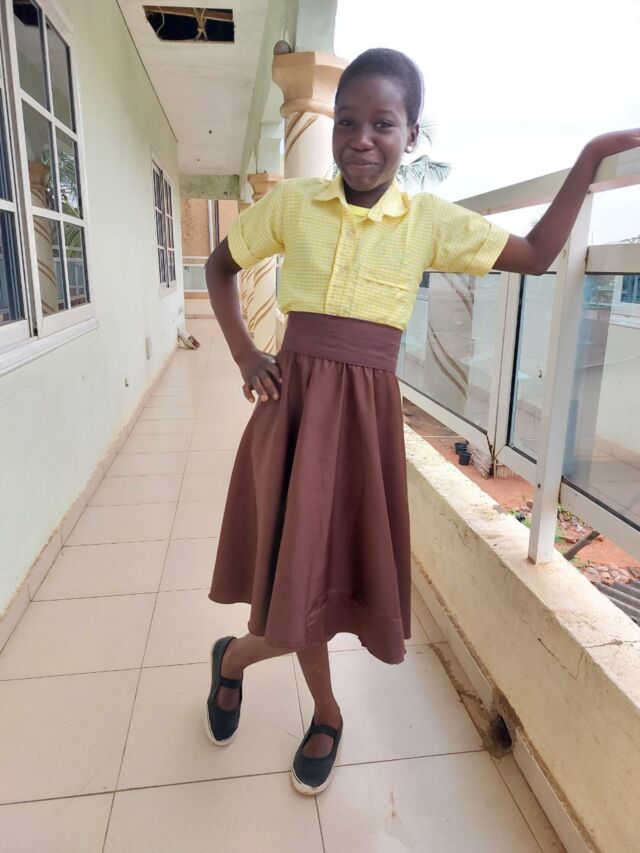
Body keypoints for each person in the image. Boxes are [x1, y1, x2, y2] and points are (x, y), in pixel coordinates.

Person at [203, 47, 640, 795]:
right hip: (294, 417)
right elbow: (219, 267)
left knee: (320, 578)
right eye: (346, 121)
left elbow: (538, 254)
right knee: (296, 578)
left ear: (411, 136)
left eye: (383, 124)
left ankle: (237, 661)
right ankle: (312, 702)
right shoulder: (293, 204)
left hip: (363, 425)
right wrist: (246, 354)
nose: (361, 139)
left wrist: (593, 155)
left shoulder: (428, 222)